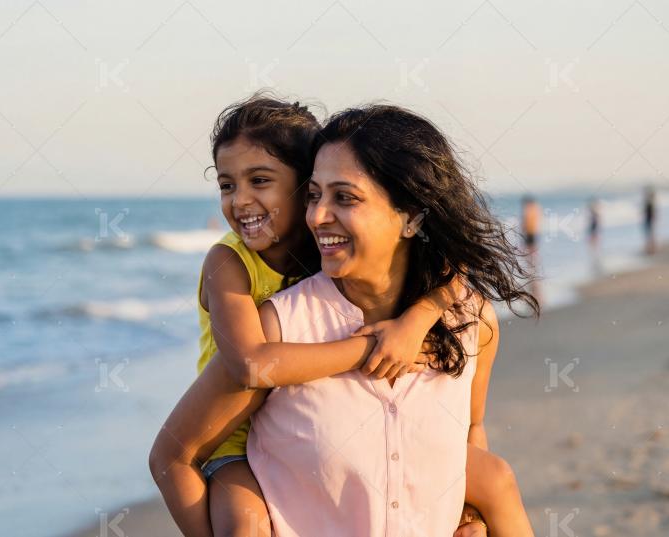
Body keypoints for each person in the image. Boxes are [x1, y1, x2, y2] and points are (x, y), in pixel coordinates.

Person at [151, 101, 537, 536]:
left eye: (344, 197)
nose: (317, 215)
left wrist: (470, 513)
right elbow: (236, 379)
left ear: (413, 216)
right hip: (229, 445)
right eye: (315, 195)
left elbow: (470, 428)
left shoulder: (470, 322)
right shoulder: (266, 309)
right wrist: (371, 347)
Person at [643, 185, 656, 254]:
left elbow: (651, 213)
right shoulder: (650, 203)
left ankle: (651, 250)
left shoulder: (649, 203)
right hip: (648, 221)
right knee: (650, 235)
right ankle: (650, 249)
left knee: (649, 235)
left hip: (649, 221)